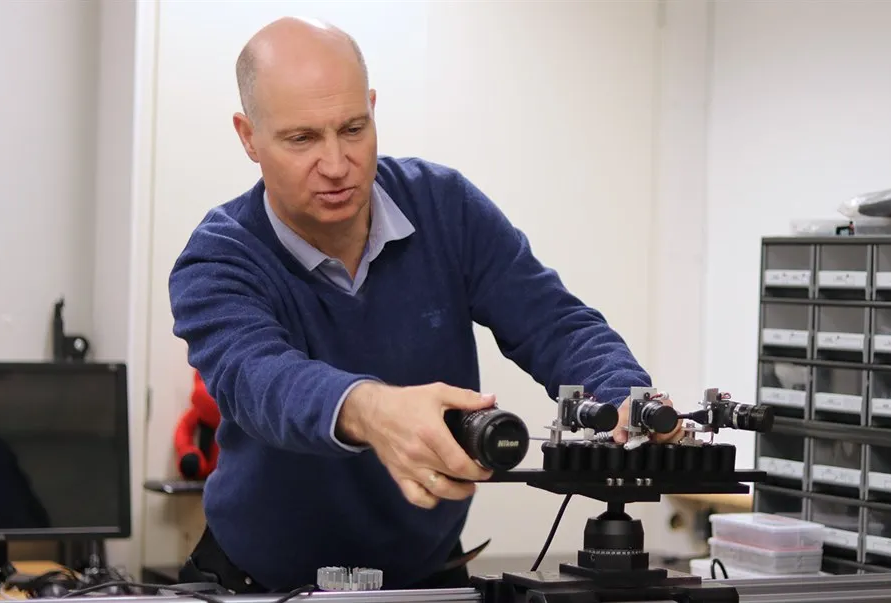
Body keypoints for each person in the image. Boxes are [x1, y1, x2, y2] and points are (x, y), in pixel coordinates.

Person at [168, 16, 681, 594]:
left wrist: (624, 395)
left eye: (353, 129)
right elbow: (259, 380)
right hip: (258, 583)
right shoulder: (219, 257)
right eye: (302, 139)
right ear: (248, 137)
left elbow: (554, 322)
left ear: (372, 109)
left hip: (425, 575)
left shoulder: (444, 207)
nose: (335, 164)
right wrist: (371, 410)